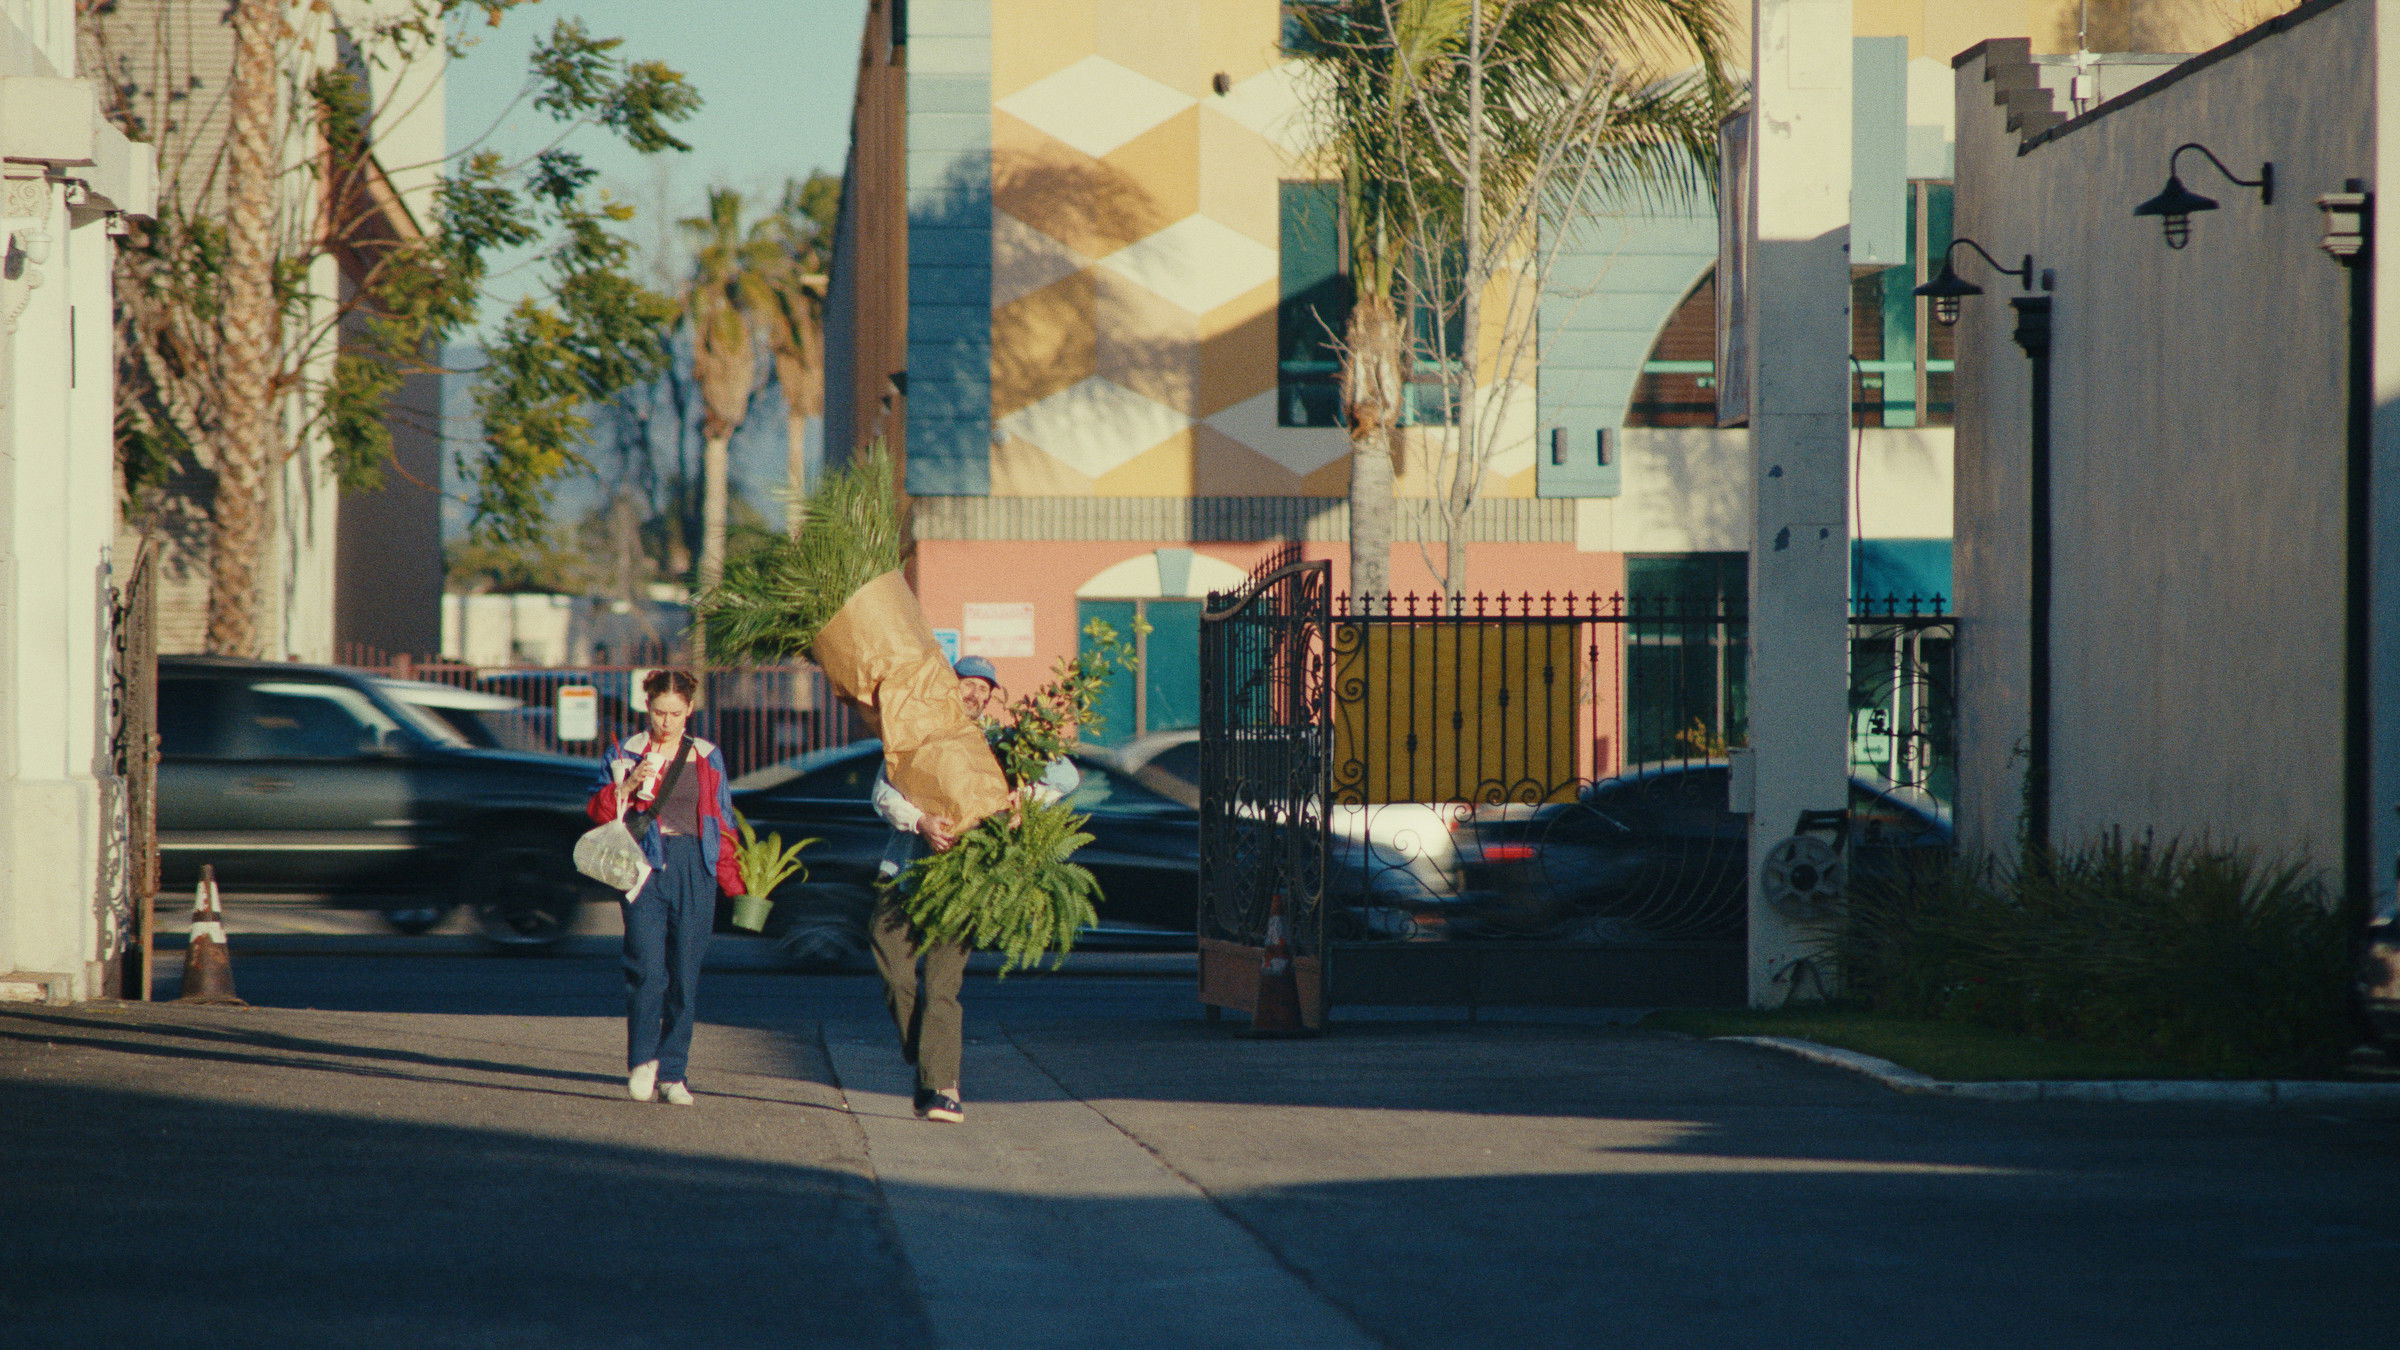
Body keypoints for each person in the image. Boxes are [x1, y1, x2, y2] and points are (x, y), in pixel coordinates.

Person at [869, 655, 1079, 1124]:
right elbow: (882, 793)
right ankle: (927, 1056)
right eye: (969, 684)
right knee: (895, 970)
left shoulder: (1001, 743)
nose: (976, 694)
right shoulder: (917, 732)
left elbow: (1065, 775)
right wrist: (921, 822)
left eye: (985, 689)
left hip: (965, 881)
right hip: (904, 871)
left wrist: (1023, 798)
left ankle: (943, 1089)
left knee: (943, 986)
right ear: (951, 686)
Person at [586, 669, 745, 1105]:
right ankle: (642, 1061)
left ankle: (673, 1073)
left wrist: (733, 881)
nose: (667, 722)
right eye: (659, 713)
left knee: (684, 976)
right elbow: (597, 809)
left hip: (695, 864)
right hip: (643, 865)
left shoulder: (707, 755)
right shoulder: (625, 751)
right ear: (647, 708)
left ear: (690, 710)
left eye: (675, 713)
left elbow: (722, 819)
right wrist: (627, 786)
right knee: (646, 970)